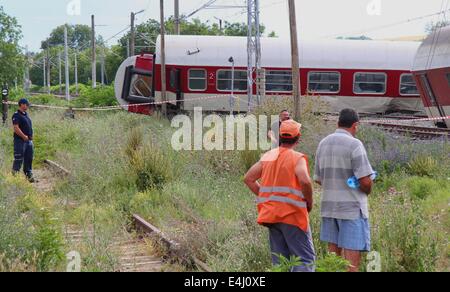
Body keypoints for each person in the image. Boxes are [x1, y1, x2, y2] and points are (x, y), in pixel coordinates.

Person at [245, 120, 315, 272]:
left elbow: (248, 178)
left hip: (271, 215)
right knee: (304, 260)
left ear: (281, 137)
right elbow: (304, 180)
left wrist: (267, 197)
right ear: (298, 138)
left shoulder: (268, 156)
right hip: (293, 215)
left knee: (280, 263)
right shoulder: (297, 158)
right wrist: (309, 202)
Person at [314, 109, 374, 272]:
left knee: (333, 260)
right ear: (355, 125)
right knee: (351, 262)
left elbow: (319, 179)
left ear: (338, 123)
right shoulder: (355, 144)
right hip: (351, 210)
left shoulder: (323, 143)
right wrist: (367, 187)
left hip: (329, 208)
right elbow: (365, 181)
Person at [12, 98, 36, 183]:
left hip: (28, 141)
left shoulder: (25, 114)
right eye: (26, 104)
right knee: (18, 159)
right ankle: (15, 179)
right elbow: (16, 128)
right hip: (20, 141)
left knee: (29, 159)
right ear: (21, 104)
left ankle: (29, 177)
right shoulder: (16, 115)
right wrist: (23, 136)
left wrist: (30, 137)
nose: (27, 106)